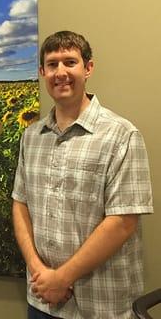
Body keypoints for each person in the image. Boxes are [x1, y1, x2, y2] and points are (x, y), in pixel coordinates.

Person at [12, 30, 154, 318]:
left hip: (102, 305)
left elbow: (122, 222)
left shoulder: (121, 135)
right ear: (42, 72)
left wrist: (61, 277)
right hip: (42, 300)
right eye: (52, 64)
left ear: (88, 68)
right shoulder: (31, 136)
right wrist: (39, 271)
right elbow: (20, 204)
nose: (60, 72)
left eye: (70, 62)